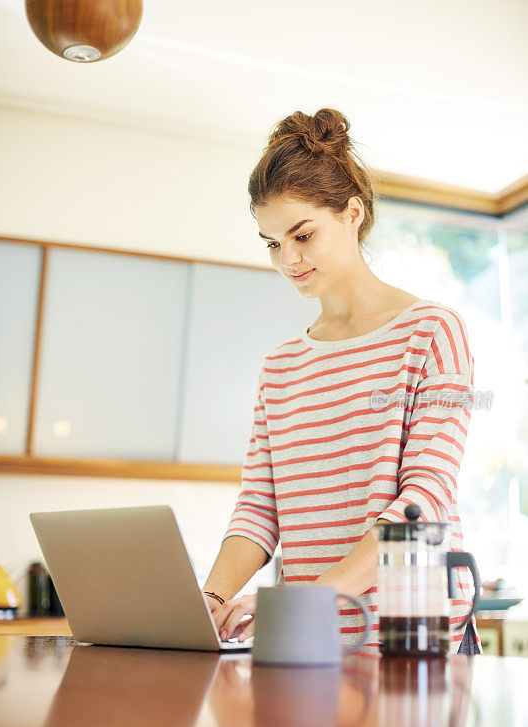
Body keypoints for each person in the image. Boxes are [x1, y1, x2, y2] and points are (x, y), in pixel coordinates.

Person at [202, 107, 482, 656]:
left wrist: (300, 599)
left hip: (411, 640)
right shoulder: (281, 366)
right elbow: (260, 508)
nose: (289, 259)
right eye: (272, 243)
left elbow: (421, 503)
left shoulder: (432, 334)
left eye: (302, 234)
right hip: (311, 639)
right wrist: (210, 598)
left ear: (353, 212)